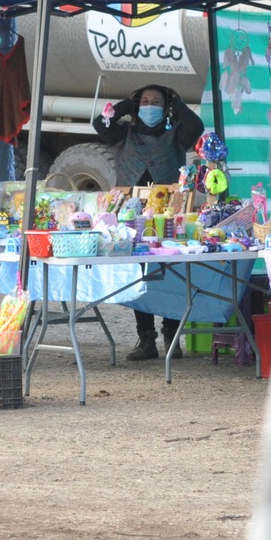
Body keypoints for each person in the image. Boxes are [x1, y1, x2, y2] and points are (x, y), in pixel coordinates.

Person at [92, 83, 206, 360]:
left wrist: (176, 102)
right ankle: (146, 339)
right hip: (131, 217)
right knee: (138, 276)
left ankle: (171, 335)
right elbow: (100, 123)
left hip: (169, 215)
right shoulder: (123, 134)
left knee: (169, 275)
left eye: (156, 101)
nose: (149, 106)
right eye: (145, 101)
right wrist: (127, 104)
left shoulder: (176, 135)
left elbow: (197, 126)